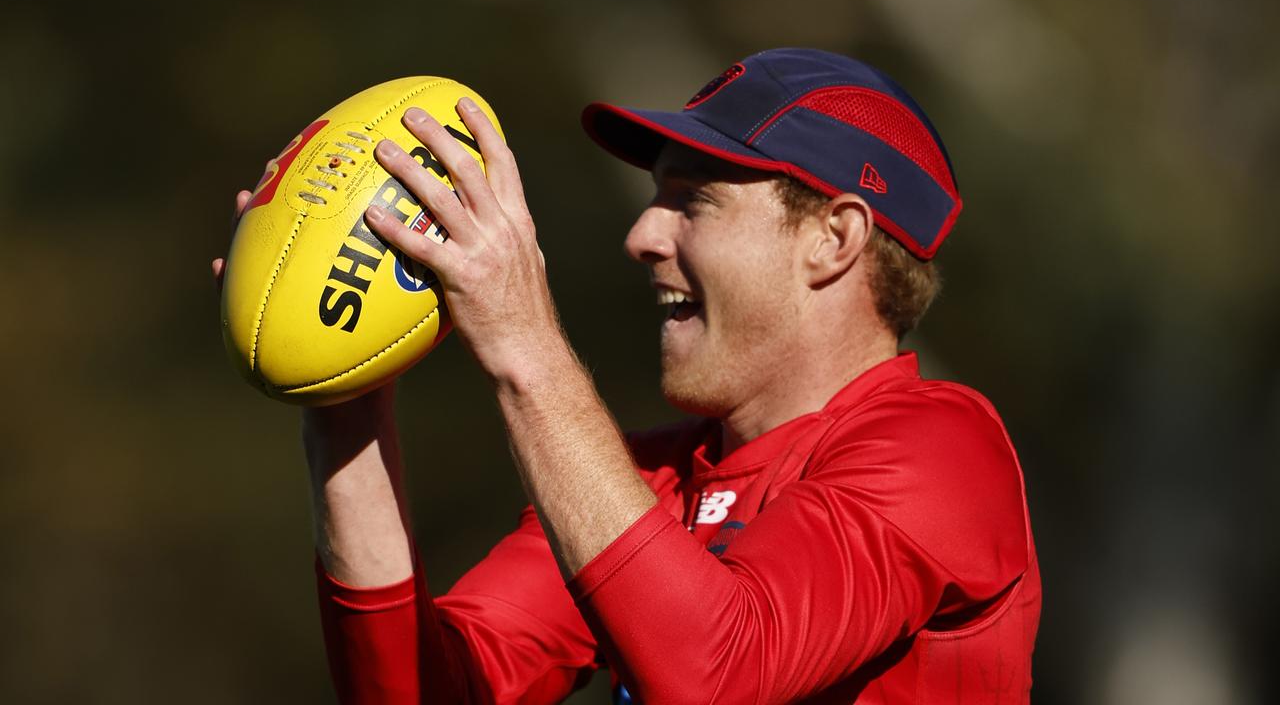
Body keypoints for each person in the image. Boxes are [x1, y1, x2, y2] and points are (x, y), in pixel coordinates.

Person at [218, 48, 1040, 704]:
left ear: (835, 238)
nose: (643, 234)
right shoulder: (642, 483)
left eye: (694, 200)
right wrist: (343, 409)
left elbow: (715, 673)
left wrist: (523, 338)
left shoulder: (943, 446)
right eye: (655, 197)